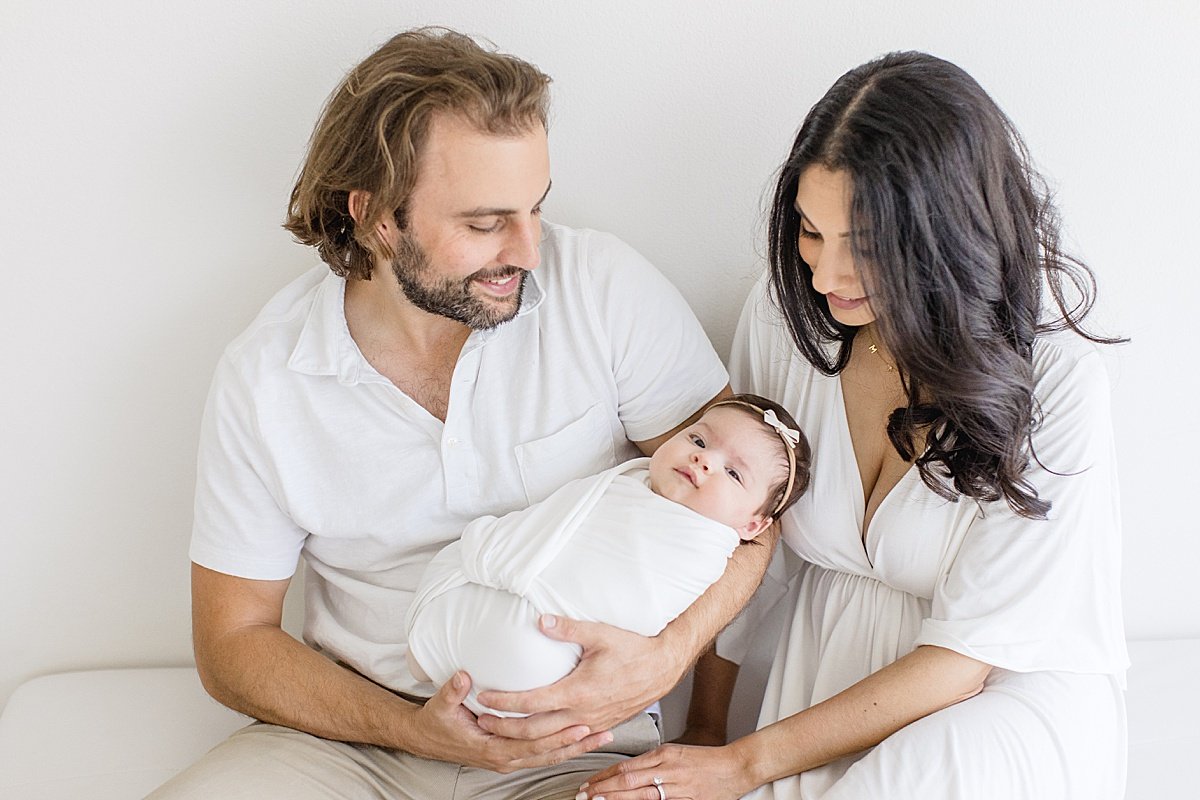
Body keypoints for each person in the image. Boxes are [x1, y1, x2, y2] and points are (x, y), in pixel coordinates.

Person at [148, 28, 775, 799]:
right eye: (484, 224)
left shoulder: (605, 290)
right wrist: (407, 728)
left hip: (574, 746)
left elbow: (754, 509)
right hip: (356, 742)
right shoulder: (267, 376)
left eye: (535, 208)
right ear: (377, 215)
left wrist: (680, 675)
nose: (529, 250)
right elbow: (232, 642)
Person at [579, 51, 1128, 800]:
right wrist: (706, 728)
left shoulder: (1055, 381)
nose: (826, 276)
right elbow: (749, 545)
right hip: (828, 687)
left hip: (999, 699)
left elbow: (968, 656)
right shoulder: (787, 321)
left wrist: (745, 763)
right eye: (810, 232)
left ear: (946, 237)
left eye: (866, 249)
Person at [407, 395, 811, 717]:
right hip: (487, 598)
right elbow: (553, 517)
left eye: (734, 473)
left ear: (753, 527)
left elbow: (624, 594)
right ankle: (437, 641)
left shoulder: (700, 550)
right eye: (699, 440)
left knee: (526, 644)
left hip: (544, 648)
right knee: (449, 565)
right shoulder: (631, 480)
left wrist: (495, 557)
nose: (703, 459)